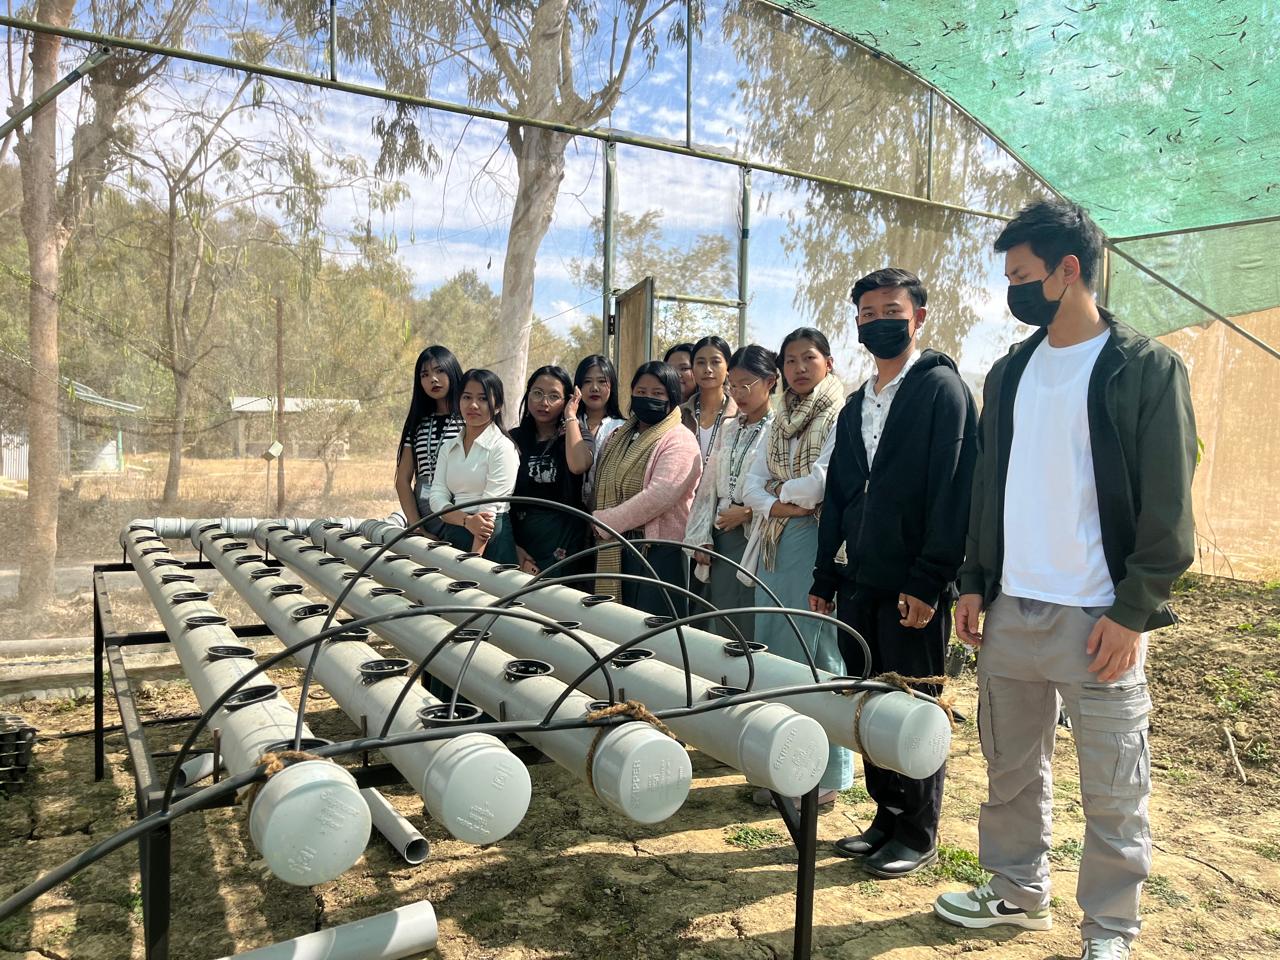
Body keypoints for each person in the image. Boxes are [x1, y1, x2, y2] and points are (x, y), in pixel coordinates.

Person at [932, 200, 1196, 960]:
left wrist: (1134, 610)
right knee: (1012, 771)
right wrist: (974, 580)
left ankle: (1110, 930)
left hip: (1099, 619)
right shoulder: (1010, 373)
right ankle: (1017, 893)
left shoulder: (1143, 369)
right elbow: (989, 487)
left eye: (1021, 276)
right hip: (1013, 610)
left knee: (1114, 788)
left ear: (1067, 270)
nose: (1010, 291)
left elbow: (1170, 505)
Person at [808, 268, 978, 879]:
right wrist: (826, 576)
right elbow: (841, 493)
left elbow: (953, 491)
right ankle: (887, 814)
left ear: (919, 318)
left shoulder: (941, 392)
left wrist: (929, 580)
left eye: (892, 311)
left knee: (915, 705)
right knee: (872, 701)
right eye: (868, 314)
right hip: (861, 580)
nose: (879, 322)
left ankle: (918, 829)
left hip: (913, 585)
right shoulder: (856, 403)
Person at [742, 327, 851, 807]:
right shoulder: (778, 417)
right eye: (790, 360)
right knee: (775, 649)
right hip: (775, 546)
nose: (799, 368)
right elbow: (750, 485)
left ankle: (824, 775)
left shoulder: (840, 413)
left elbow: (820, 485)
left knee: (816, 651)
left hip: (816, 544)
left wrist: (776, 495)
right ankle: (783, 763)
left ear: (828, 362)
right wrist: (780, 502)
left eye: (809, 357)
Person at [592, 361, 702, 617]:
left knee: (655, 628)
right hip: (617, 549)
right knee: (616, 624)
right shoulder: (618, 436)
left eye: (657, 393)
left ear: (672, 397)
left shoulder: (680, 439)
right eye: (641, 392)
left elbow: (659, 495)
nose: (647, 398)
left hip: (658, 553)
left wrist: (606, 522)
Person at [685, 344, 776, 641]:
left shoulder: (778, 429)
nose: (738, 393)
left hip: (756, 534)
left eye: (746, 385)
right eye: (733, 385)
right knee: (722, 616)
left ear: (770, 382)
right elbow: (709, 486)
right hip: (722, 532)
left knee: (751, 618)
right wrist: (701, 535)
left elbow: (782, 486)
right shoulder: (729, 428)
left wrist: (748, 512)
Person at [427, 369, 519, 564]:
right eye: (467, 397)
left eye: (483, 399)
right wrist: (465, 520)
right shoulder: (448, 447)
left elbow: (488, 511)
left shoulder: (502, 447)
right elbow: (437, 496)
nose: (473, 405)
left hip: (490, 539)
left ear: (497, 406)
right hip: (456, 529)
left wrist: (472, 561)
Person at [510, 365, 593, 576]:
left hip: (564, 542)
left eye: (554, 396)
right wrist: (512, 546)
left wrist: (571, 415)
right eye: (537, 393)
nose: (544, 402)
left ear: (566, 400)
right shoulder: (512, 438)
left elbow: (578, 465)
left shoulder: (576, 435)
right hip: (520, 539)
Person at [395, 345, 463, 536]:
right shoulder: (416, 423)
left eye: (439, 371)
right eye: (425, 375)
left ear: (452, 371)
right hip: (426, 514)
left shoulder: (469, 419)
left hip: (461, 507)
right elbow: (402, 480)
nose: (433, 379)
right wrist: (417, 528)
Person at [574, 354, 626, 508]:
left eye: (602, 381)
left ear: (612, 386)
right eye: (587, 381)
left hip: (607, 510)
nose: (594, 388)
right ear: (577, 387)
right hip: (568, 511)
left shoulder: (623, 428)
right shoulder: (568, 424)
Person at [680, 335, 737, 463]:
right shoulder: (680, 415)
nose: (708, 369)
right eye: (700, 362)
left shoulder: (740, 414)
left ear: (728, 367)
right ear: (693, 368)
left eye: (715, 362)